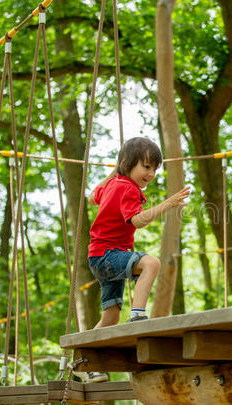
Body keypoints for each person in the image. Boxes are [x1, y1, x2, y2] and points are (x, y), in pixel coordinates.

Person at [81, 137, 190, 382]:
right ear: (129, 163)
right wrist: (169, 203)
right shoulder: (128, 189)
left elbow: (91, 197)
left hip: (98, 258)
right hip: (108, 255)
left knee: (110, 318)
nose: (151, 174)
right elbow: (138, 221)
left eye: (154, 168)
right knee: (151, 263)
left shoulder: (113, 185)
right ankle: (138, 314)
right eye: (146, 166)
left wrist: (114, 172)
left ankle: (85, 360)